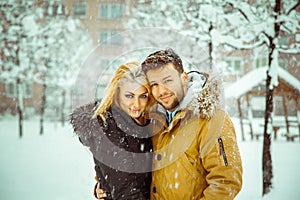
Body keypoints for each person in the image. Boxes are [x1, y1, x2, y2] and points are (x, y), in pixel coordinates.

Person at [141, 48, 243, 199]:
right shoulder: (154, 119)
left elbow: (225, 182)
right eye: (154, 84)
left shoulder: (212, 119)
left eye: (168, 80)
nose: (161, 91)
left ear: (184, 77)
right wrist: (104, 183)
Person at [70, 62, 156, 200]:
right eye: (129, 96)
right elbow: (125, 190)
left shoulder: (144, 123)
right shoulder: (108, 129)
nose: (137, 104)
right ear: (117, 93)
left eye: (143, 96)